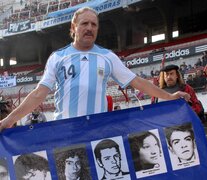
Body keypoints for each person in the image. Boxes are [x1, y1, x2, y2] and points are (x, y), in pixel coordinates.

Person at [0, 7, 190, 131]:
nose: (90, 28)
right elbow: (38, 94)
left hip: (98, 131)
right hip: (65, 131)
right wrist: (9, 120)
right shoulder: (58, 57)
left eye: (94, 24)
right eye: (84, 23)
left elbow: (137, 82)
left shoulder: (107, 56)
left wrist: (169, 96)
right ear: (74, 27)